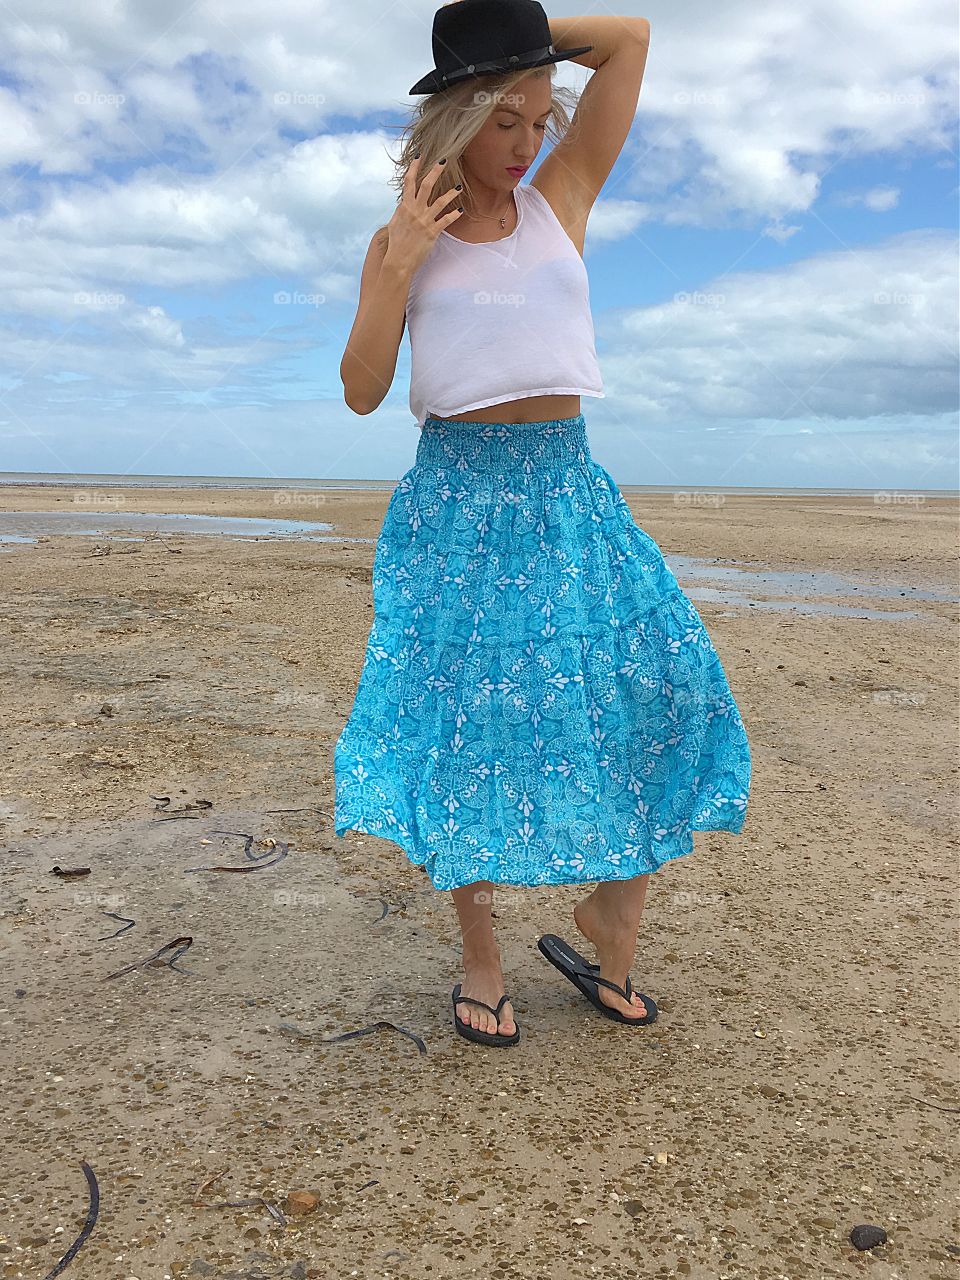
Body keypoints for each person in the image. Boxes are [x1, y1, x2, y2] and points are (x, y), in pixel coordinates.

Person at [334, 0, 752, 1048]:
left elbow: (632, 37)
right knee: (463, 729)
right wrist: (394, 271)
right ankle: (481, 958)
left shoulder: (563, 195)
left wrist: (514, 35)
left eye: (535, 116)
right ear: (454, 120)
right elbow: (360, 387)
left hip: (569, 487)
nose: (525, 143)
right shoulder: (402, 239)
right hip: (458, 499)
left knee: (661, 681)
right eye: (500, 119)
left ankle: (611, 911)